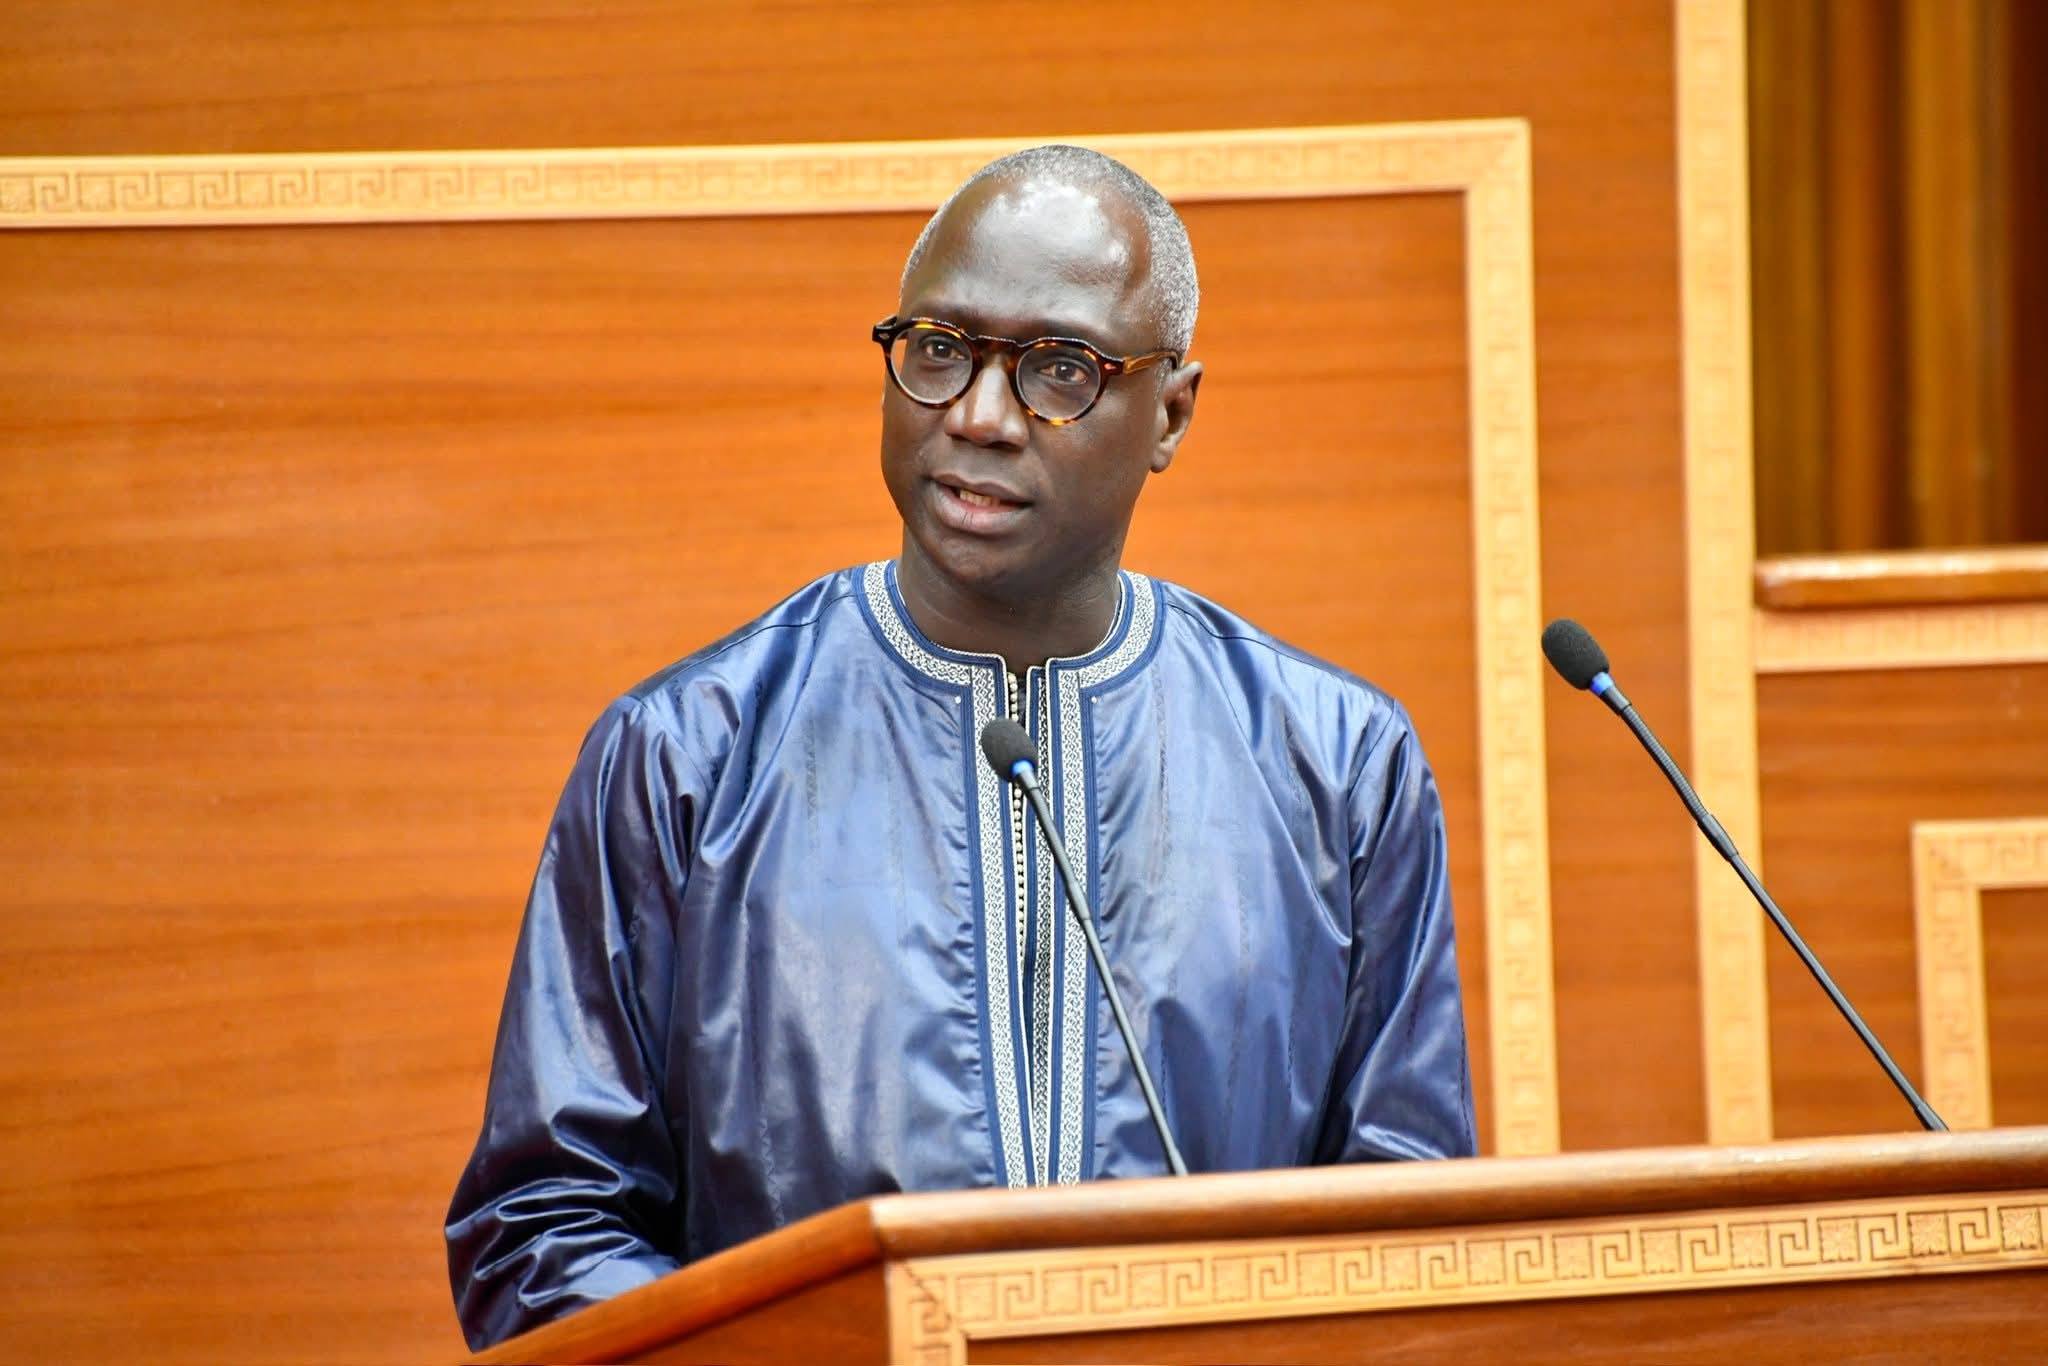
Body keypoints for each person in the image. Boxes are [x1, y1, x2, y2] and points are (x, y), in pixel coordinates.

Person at [446, 145, 1476, 1349]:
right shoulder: (685, 755)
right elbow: (545, 1229)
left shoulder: (1339, 767)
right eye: (938, 350)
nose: (980, 417)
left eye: (1058, 369)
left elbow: (1405, 1238)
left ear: (1170, 414)